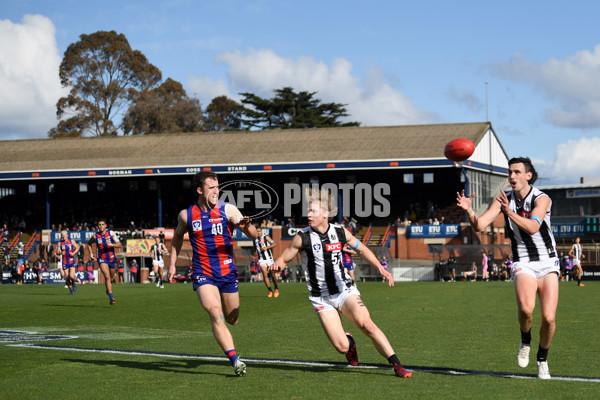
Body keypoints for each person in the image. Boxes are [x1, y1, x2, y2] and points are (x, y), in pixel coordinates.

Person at [269, 188, 412, 378]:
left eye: (313, 211)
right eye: (308, 211)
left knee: (367, 324)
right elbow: (284, 259)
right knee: (341, 346)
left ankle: (397, 365)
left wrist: (380, 267)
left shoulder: (340, 232)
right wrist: (276, 265)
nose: (308, 215)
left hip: (345, 290)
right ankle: (350, 344)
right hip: (321, 298)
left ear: (325, 214)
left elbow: (362, 249)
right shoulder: (302, 237)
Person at [456, 156, 559, 379]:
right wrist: (469, 211)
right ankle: (525, 341)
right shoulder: (503, 199)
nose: (511, 176)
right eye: (509, 172)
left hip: (548, 262)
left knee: (549, 319)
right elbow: (480, 225)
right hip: (523, 260)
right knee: (526, 309)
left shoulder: (542, 199)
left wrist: (509, 212)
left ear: (528, 176)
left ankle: (542, 359)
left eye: (517, 172)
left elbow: (533, 226)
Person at [167, 171, 258, 377]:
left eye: (217, 187)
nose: (216, 191)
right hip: (203, 273)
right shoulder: (186, 215)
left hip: (227, 272)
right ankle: (235, 360)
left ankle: (230, 341)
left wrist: (247, 227)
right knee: (215, 313)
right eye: (211, 187)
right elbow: (177, 238)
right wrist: (172, 265)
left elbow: (253, 235)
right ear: (200, 190)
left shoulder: (228, 209)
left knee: (232, 318)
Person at [87, 219, 122, 305]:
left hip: (112, 259)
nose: (101, 226)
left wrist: (112, 244)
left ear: (105, 225)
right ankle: (111, 297)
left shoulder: (111, 234)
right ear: (98, 226)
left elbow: (119, 244)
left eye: (103, 224)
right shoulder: (95, 236)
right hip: (102, 259)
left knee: (111, 278)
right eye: (99, 224)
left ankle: (108, 288)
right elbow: (88, 244)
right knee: (107, 276)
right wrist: (91, 253)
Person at [253, 226, 279, 297]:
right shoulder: (255, 240)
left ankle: (276, 288)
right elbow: (255, 249)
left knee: (272, 274)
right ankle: (270, 291)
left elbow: (274, 244)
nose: (258, 233)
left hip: (269, 259)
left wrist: (266, 248)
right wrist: (255, 255)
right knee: (264, 273)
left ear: (262, 231)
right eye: (257, 231)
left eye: (259, 231)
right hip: (261, 259)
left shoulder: (266, 237)